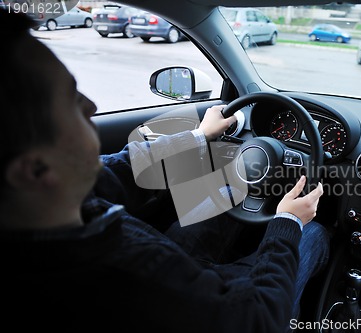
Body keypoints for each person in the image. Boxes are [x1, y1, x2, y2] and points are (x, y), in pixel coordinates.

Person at [0, 10, 329, 332]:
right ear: (35, 169)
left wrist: (201, 135)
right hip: (232, 307)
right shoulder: (119, 279)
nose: (92, 106)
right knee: (311, 235)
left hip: (184, 273)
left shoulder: (51, 205)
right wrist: (287, 221)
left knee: (229, 188)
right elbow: (258, 318)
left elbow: (127, 167)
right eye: (71, 99)